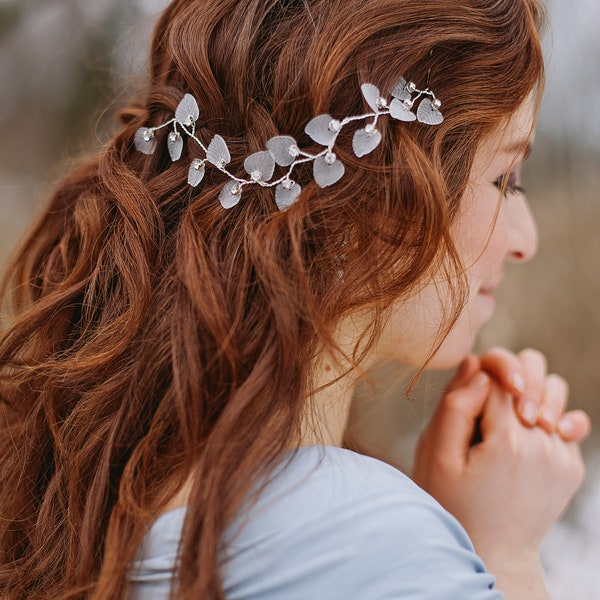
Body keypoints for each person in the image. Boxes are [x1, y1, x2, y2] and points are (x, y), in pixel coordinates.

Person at [0, 0, 591, 598]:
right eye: (504, 179)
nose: (526, 239)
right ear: (377, 195)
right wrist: (505, 555)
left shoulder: (83, 490)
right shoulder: (378, 550)